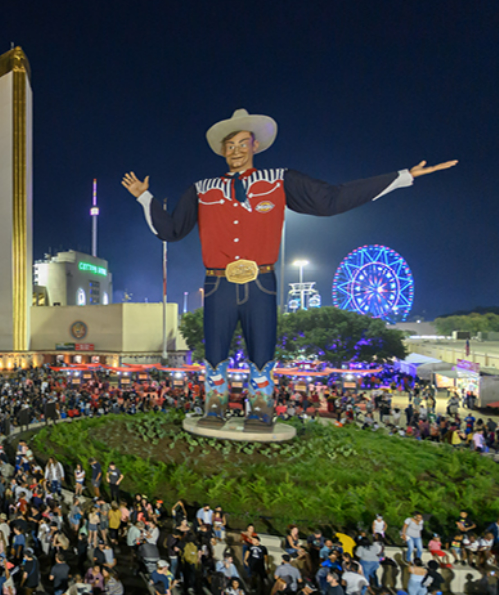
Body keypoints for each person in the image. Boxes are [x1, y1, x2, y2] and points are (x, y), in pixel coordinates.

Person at [123, 109, 456, 428]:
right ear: (222, 150)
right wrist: (144, 197)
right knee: (214, 353)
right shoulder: (201, 189)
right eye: (230, 146)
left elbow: (331, 199)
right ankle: (214, 409)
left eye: (242, 143)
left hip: (261, 281)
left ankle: (261, 413)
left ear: (255, 145)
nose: (236, 151)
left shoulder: (280, 181)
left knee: (263, 350)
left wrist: (402, 177)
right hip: (217, 284)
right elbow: (171, 231)